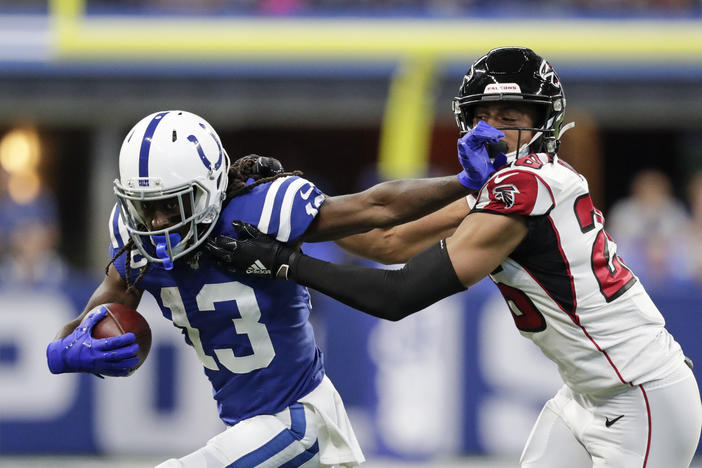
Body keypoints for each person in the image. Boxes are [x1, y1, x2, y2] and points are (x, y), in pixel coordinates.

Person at [207, 47, 702, 467]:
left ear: (542, 124)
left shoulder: (525, 189)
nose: (492, 131)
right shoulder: (511, 183)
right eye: (483, 117)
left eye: (509, 120)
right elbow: (388, 240)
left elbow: (398, 294)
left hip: (641, 397)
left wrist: (285, 262)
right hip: (586, 394)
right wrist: (291, 206)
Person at [45, 110, 479, 467]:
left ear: (209, 188)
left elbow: (376, 210)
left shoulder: (261, 208)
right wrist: (63, 350)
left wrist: (463, 185)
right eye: (145, 208)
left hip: (301, 422)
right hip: (254, 433)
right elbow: (94, 319)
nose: (158, 223)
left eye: (170, 205)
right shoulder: (136, 240)